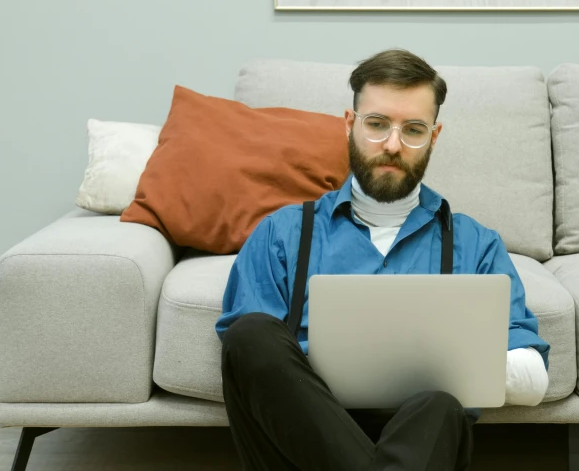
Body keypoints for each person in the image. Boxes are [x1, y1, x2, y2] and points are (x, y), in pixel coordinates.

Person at [215, 49, 550, 471]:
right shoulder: (282, 233)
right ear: (350, 124)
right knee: (251, 334)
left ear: (435, 135)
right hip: (296, 441)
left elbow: (533, 378)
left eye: (413, 130)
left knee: (439, 405)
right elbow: (249, 361)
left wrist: (428, 370)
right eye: (377, 125)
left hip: (422, 441)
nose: (393, 145)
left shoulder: (475, 244)